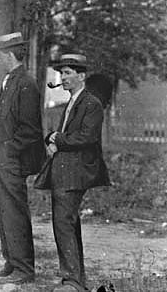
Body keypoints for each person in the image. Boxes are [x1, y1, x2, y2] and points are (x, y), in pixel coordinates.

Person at [46, 53, 110, 292]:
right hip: (64, 169)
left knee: (63, 223)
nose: (63, 77)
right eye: (62, 73)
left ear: (81, 76)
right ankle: (76, 280)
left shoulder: (91, 103)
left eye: (68, 73)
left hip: (76, 171)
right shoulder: (73, 101)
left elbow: (86, 136)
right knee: (68, 223)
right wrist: (52, 139)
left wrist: (57, 139)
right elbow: (66, 133)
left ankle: (71, 282)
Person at [0, 32, 46, 285]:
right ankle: (11, 262)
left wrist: (9, 148)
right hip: (4, 159)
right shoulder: (10, 80)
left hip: (13, 160)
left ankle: (24, 268)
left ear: (8, 55)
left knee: (16, 213)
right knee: (5, 212)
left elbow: (31, 130)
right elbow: (10, 121)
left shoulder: (26, 83)